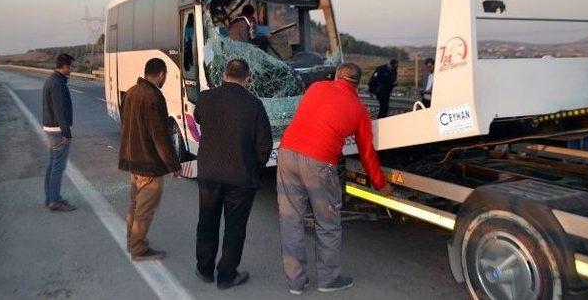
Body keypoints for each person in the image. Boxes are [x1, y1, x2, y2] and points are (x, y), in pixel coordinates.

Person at [277, 63, 392, 295]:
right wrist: (380, 184)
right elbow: (367, 152)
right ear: (357, 85)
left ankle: (296, 283)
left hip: (286, 154)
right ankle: (328, 279)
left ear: (337, 76)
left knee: (291, 220)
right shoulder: (359, 110)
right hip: (319, 163)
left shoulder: (317, 87)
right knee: (327, 223)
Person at [194, 59, 273, 290]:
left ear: (224, 75)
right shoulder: (254, 104)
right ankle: (227, 276)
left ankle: (204, 270)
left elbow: (199, 118)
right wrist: (254, 169)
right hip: (241, 177)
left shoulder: (206, 98)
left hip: (209, 174)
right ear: (247, 79)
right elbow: (264, 145)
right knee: (235, 228)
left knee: (207, 222)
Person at [118, 58, 181, 261]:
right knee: (145, 209)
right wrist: (173, 165)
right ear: (161, 74)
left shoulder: (130, 92)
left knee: (135, 205)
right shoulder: (153, 97)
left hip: (133, 160)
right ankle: (138, 249)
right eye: (166, 76)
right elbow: (160, 136)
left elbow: (126, 126)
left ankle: (131, 240)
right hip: (148, 164)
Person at [42, 53, 77, 212]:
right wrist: (66, 133)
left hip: (51, 129)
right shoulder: (58, 83)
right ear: (64, 66)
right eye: (70, 66)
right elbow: (60, 110)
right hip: (58, 130)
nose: (72, 69)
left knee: (52, 165)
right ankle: (55, 201)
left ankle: (50, 198)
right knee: (58, 166)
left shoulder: (52, 80)